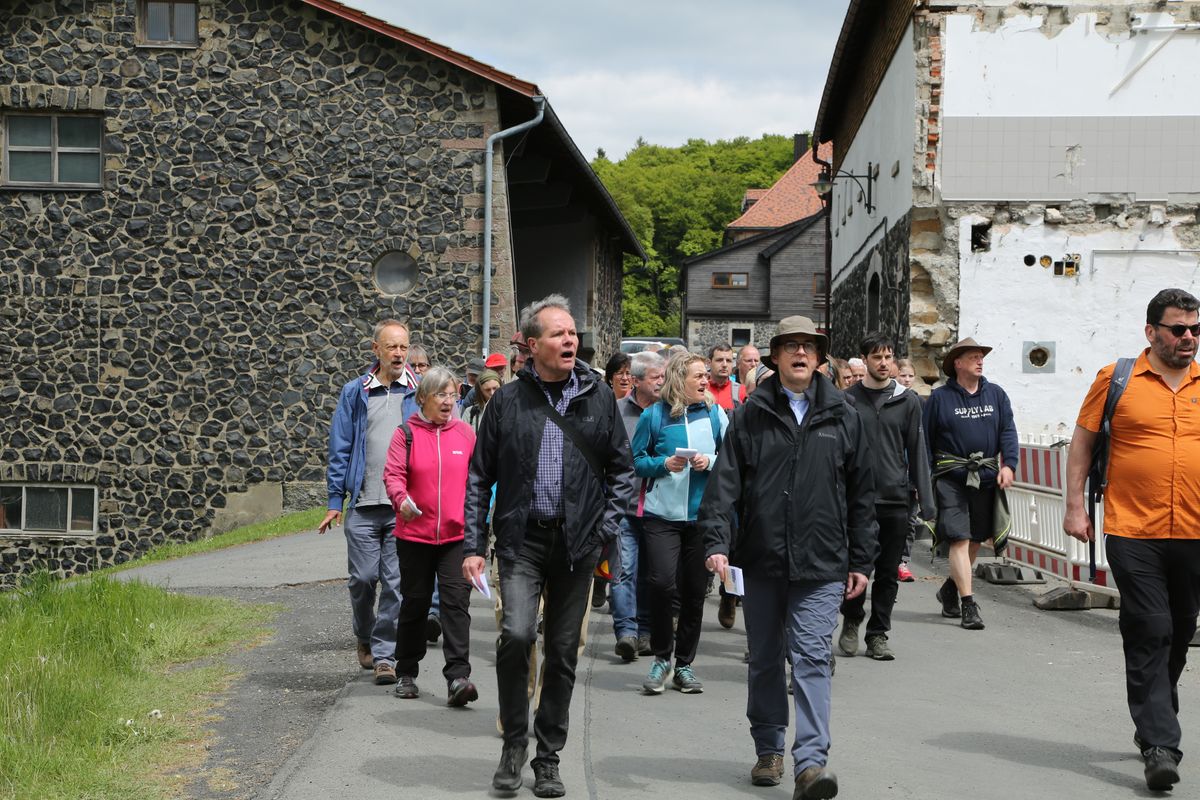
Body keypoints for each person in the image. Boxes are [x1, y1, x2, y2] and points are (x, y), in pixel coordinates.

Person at [463, 294, 635, 797]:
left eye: (572, 334)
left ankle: (548, 756)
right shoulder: (508, 402)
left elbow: (621, 471)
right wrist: (475, 544)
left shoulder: (598, 396)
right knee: (516, 636)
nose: (570, 340)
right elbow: (479, 477)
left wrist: (605, 527)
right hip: (522, 541)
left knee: (562, 652)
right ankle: (513, 742)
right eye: (558, 334)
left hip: (579, 546)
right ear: (531, 344)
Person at [699, 315, 877, 799]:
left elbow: (863, 494)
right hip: (761, 558)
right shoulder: (751, 414)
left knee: (814, 657)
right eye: (791, 346)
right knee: (764, 659)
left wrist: (862, 560)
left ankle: (811, 764)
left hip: (822, 562)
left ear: (820, 359)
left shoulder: (844, 415)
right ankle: (769, 749)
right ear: (775, 357)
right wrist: (716, 543)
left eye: (809, 347)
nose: (801, 353)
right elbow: (724, 486)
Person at [1063, 288, 1200, 792]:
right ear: (1151, 332)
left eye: (1195, 329)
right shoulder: (1115, 379)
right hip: (1132, 527)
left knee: (1181, 629)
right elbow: (1084, 441)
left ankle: (1155, 711)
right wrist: (1075, 505)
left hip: (1195, 530)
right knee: (1151, 627)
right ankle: (1162, 744)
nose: (1188, 338)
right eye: (1178, 329)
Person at [318, 320, 420, 685]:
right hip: (362, 503)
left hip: (402, 507)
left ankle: (384, 656)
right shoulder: (355, 392)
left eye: (403, 347)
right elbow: (340, 446)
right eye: (391, 347)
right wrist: (335, 499)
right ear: (375, 349)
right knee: (363, 579)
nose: (398, 354)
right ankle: (364, 634)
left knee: (394, 583)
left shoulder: (419, 392)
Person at [632, 353, 728, 695]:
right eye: (698, 376)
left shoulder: (716, 414)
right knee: (660, 584)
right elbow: (636, 461)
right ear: (678, 378)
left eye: (705, 376)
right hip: (662, 517)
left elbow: (733, 461)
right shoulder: (653, 415)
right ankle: (661, 657)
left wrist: (710, 461)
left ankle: (684, 665)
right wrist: (663, 464)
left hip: (702, 519)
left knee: (693, 593)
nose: (705, 381)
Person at [383, 367, 478, 706]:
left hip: (456, 537)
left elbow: (478, 483)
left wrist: (479, 528)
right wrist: (401, 500)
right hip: (414, 537)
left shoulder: (466, 434)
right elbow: (393, 475)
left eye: (452, 395)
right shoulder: (405, 434)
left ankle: (458, 678)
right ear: (422, 398)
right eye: (441, 395)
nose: (448, 402)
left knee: (456, 606)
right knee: (416, 604)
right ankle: (406, 671)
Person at [837, 333, 934, 661]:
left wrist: (927, 501)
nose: (883, 363)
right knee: (855, 566)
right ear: (864, 360)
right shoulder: (848, 400)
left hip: (895, 497)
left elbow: (917, 450)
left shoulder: (907, 401)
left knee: (888, 571)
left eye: (889, 357)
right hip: (858, 499)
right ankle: (851, 620)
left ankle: (878, 633)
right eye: (877, 357)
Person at [923, 337, 1018, 631]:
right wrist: (922, 480)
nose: (980, 361)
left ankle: (950, 589)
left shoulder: (996, 395)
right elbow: (925, 439)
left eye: (981, 357)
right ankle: (968, 604)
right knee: (959, 538)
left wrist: (1009, 465)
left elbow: (1008, 431)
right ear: (958, 364)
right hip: (952, 478)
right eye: (974, 357)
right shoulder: (939, 398)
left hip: (986, 478)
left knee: (976, 538)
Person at [612, 350, 666, 661]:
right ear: (636, 381)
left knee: (652, 573)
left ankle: (645, 630)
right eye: (656, 377)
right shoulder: (616, 411)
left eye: (663, 376)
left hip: (657, 508)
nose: (661, 382)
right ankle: (626, 633)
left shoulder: (667, 412)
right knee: (624, 570)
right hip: (623, 507)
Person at [895, 357, 921, 583]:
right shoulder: (892, 400)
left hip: (911, 474)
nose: (907, 379)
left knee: (910, 521)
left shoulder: (918, 402)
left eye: (910, 375)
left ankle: (902, 561)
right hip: (893, 473)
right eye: (903, 375)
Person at [707, 343, 746, 411]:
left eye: (728, 361)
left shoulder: (742, 391)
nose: (724, 365)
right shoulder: (700, 390)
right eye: (719, 360)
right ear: (709, 363)